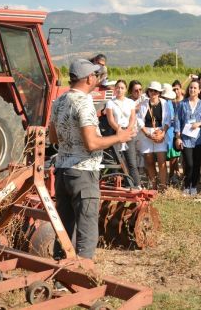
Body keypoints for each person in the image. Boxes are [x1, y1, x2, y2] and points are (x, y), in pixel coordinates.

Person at [49, 59, 134, 259]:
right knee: (87, 229)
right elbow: (92, 143)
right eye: (95, 75)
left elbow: (53, 138)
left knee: (65, 227)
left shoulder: (60, 101)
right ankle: (82, 276)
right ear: (89, 78)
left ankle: (60, 275)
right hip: (83, 172)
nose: (97, 78)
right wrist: (119, 137)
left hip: (62, 170)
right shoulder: (85, 102)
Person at [174, 80, 201, 196]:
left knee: (196, 164)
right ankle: (186, 186)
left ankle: (194, 186)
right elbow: (177, 121)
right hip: (185, 139)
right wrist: (178, 138)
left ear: (199, 90)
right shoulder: (182, 104)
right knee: (188, 164)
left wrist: (200, 123)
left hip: (199, 139)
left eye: (195, 88)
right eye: (191, 88)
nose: (192, 90)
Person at [104, 79, 140, 188]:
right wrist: (119, 130)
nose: (119, 90)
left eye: (122, 88)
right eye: (118, 87)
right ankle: (119, 185)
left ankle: (136, 184)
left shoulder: (130, 102)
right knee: (117, 161)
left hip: (128, 131)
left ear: (125, 90)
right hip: (116, 132)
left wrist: (128, 130)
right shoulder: (110, 102)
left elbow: (133, 118)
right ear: (115, 89)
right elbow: (110, 120)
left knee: (131, 161)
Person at [136, 81, 172, 190]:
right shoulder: (143, 104)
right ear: (148, 92)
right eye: (151, 90)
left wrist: (162, 133)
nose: (153, 93)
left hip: (160, 132)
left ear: (159, 92)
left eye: (156, 91)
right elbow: (139, 120)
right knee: (149, 160)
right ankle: (154, 186)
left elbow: (167, 120)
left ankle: (163, 185)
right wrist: (147, 134)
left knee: (162, 161)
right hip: (146, 133)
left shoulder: (164, 103)